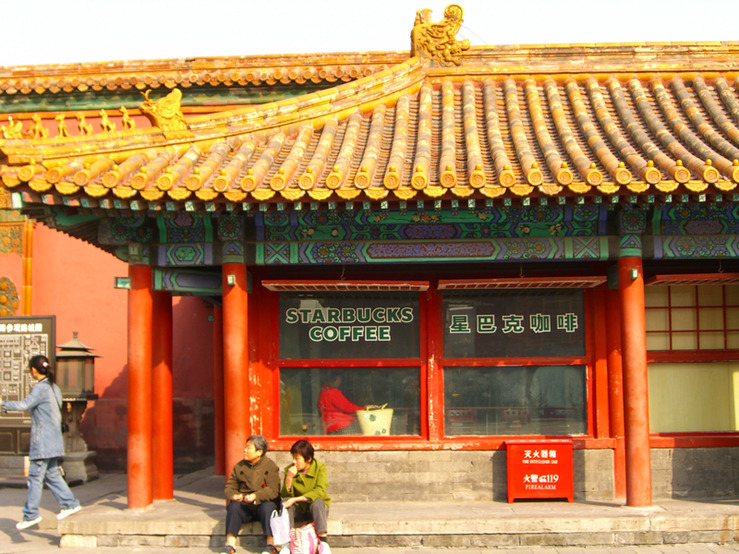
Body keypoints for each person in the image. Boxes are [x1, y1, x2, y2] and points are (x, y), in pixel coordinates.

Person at [0, 355, 81, 530]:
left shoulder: (40, 388)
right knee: (52, 474)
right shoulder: (55, 388)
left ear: (33, 370)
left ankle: (31, 514)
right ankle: (69, 503)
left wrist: (3, 404)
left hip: (42, 441)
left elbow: (24, 405)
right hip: (54, 440)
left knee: (35, 477)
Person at [223, 435, 281, 554]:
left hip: (262, 504)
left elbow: (273, 490)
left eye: (248, 448)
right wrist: (234, 495)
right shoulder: (239, 466)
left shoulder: (270, 466)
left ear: (259, 452)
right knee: (233, 507)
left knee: (268, 507)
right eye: (245, 447)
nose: (244, 450)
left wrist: (256, 496)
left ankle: (271, 545)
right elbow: (229, 487)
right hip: (245, 505)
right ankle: (230, 544)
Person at [281, 439, 331, 552]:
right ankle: (287, 544)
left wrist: (296, 499)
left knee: (317, 502)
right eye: (293, 458)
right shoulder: (290, 470)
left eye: (297, 458)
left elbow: (319, 491)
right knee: (285, 502)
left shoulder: (320, 468)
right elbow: (285, 495)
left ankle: (323, 543)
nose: (294, 462)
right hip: (299, 510)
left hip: (316, 510)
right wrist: (289, 479)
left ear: (308, 459)